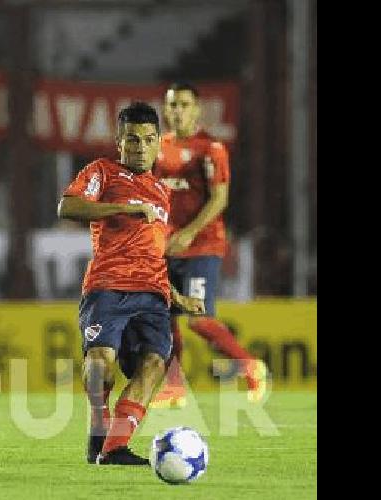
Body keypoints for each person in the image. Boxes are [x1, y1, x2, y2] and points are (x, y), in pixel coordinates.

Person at [57, 102, 204, 465]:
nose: (140, 147)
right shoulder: (102, 173)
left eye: (148, 140)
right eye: (132, 140)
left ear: (158, 144)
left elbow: (153, 253)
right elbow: (68, 207)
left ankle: (114, 447)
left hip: (153, 293)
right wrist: (123, 208)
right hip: (108, 286)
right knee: (100, 361)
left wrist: (176, 296)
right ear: (119, 142)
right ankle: (97, 429)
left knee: (155, 363)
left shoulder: (162, 193)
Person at [151, 82, 265, 409]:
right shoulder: (160, 147)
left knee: (198, 318)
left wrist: (189, 232)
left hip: (203, 245)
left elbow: (220, 198)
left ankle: (250, 365)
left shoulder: (211, 148)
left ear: (197, 109)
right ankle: (174, 387)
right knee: (164, 316)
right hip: (168, 246)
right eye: (172, 105)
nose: (177, 111)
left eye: (184, 105)